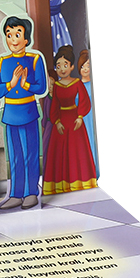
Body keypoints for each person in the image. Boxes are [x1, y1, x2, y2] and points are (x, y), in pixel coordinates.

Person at [0, 16, 48, 209]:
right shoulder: (2, 62)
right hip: (10, 114)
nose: (13, 39)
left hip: (28, 113)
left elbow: (41, 87)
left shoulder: (35, 59)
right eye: (9, 35)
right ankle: (15, 194)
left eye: (17, 34)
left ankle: (31, 193)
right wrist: (11, 84)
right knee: (14, 156)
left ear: (26, 38)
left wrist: (25, 84)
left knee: (30, 154)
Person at [43, 45, 97, 194]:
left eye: (65, 65)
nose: (62, 69)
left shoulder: (77, 83)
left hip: (74, 121)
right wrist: (57, 121)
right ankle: (62, 184)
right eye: (58, 66)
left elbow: (85, 101)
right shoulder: (57, 86)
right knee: (60, 154)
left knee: (77, 151)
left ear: (72, 66)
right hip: (61, 123)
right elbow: (54, 105)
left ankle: (80, 182)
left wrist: (80, 117)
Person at [77, 49, 99, 178]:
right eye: (82, 66)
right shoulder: (76, 86)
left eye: (88, 66)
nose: (85, 69)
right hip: (82, 122)